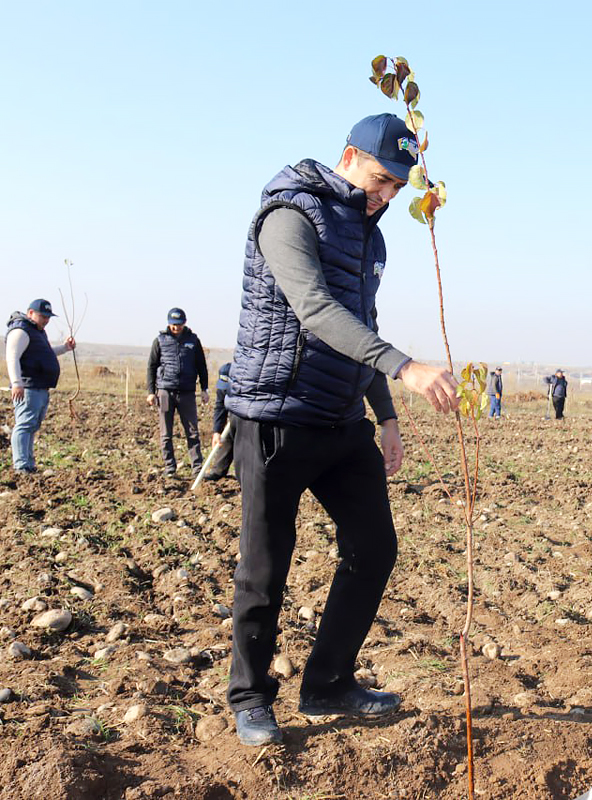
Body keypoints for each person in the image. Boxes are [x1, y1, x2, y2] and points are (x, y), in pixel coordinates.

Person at [223, 112, 458, 747]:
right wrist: (405, 368)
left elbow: (363, 326)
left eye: (397, 189)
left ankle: (327, 683)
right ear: (348, 156)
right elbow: (317, 311)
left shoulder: (369, 236)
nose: (386, 196)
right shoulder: (288, 217)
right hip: (275, 416)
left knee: (375, 547)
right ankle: (250, 697)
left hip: (341, 421)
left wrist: (384, 417)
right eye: (381, 180)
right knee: (266, 565)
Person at [5, 299, 76, 474]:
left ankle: (28, 463)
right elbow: (12, 357)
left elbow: (45, 353)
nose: (46, 320)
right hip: (28, 387)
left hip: (40, 387)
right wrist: (16, 383)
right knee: (24, 425)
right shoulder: (21, 331)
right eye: (43, 316)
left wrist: (65, 348)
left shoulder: (38, 332)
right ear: (30, 313)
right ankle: (21, 465)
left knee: (32, 425)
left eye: (48, 317)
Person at [146, 308, 209, 476]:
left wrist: (204, 389)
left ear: (184, 323)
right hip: (165, 391)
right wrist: (151, 392)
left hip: (187, 392)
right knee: (166, 433)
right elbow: (152, 366)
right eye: (173, 325)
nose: (176, 328)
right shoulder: (160, 340)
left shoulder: (193, 341)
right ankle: (170, 468)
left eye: (179, 324)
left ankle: (197, 468)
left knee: (192, 432)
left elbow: (201, 366)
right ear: (168, 324)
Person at [205, 362, 234, 480]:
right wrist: (217, 431)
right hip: (234, 415)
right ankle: (218, 470)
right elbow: (220, 405)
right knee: (227, 436)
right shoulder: (223, 381)